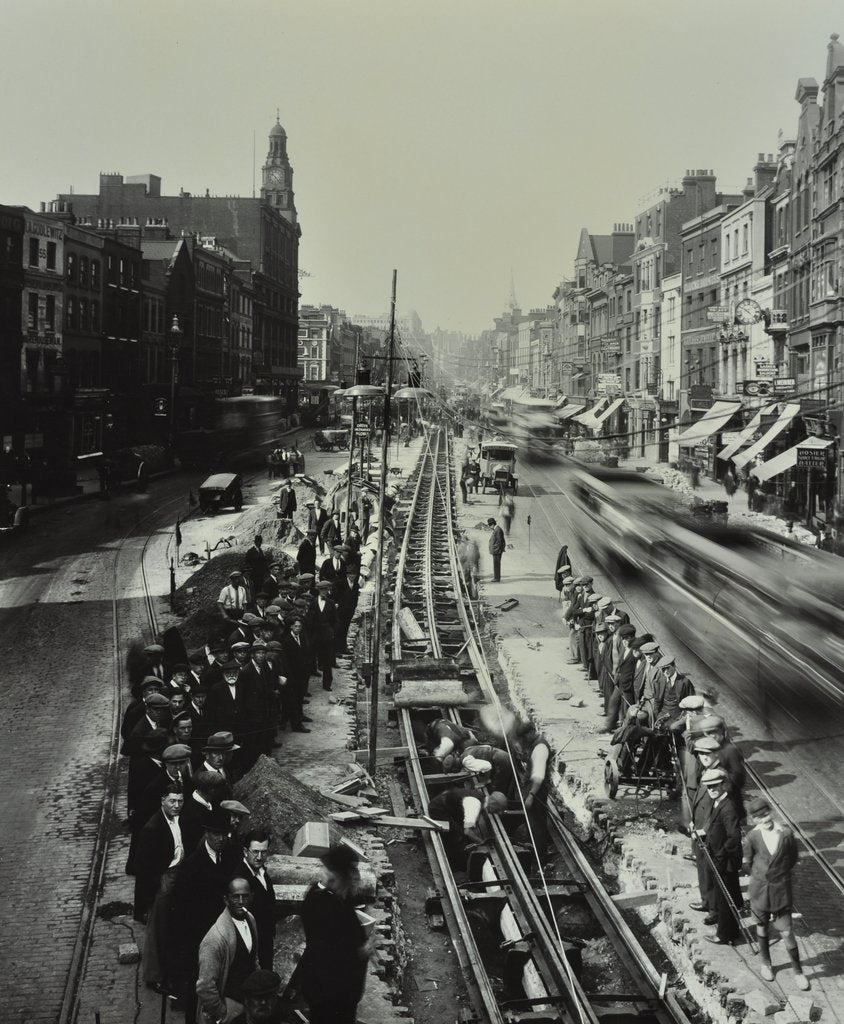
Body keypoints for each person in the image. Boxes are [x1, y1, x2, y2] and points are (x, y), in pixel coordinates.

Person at [300, 845, 374, 1024]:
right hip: (328, 992)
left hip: (339, 991)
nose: (354, 879)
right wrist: (361, 951)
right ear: (338, 876)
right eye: (350, 874)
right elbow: (331, 952)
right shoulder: (321, 904)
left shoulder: (335, 896)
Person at [742, 797, 809, 989]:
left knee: (787, 931)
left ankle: (798, 971)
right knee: (761, 927)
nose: (765, 819)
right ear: (754, 820)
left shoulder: (786, 834)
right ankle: (766, 963)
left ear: (771, 811)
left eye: (766, 814)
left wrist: (779, 875)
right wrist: (759, 877)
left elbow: (793, 857)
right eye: (759, 818)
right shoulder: (753, 837)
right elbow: (747, 861)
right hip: (760, 891)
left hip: (780, 892)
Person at [136, 784, 185, 994]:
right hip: (163, 879)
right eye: (172, 801)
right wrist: (151, 894)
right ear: (162, 800)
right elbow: (143, 867)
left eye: (180, 801)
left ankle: (170, 969)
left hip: (177, 873)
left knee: (171, 927)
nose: (177, 805)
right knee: (158, 930)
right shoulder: (152, 828)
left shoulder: (177, 819)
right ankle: (154, 976)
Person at [196, 877, 259, 1024]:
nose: (241, 901)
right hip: (228, 1010)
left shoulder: (250, 919)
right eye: (236, 897)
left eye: (245, 896)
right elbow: (205, 986)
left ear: (251, 897)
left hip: (247, 1005)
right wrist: (222, 1013)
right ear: (226, 899)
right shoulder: (215, 938)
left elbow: (254, 958)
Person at [697, 768, 743, 946]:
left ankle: (724, 935)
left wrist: (720, 855)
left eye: (715, 786)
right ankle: (732, 931)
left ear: (724, 784)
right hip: (719, 858)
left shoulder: (728, 807)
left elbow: (734, 838)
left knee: (724, 899)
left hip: (724, 862)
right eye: (709, 788)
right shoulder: (719, 803)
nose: (712, 790)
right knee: (723, 896)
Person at [231, 830, 276, 970]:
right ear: (245, 851)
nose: (259, 857)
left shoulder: (262, 872)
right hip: (252, 944)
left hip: (265, 938)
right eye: (255, 852)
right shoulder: (240, 878)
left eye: (264, 852)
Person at [487, 517, 505, 582]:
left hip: (497, 551)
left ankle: (497, 578)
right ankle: (496, 577)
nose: (489, 527)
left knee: (496, 564)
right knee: (496, 564)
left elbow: (499, 542)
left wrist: (497, 550)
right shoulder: (497, 529)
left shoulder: (498, 530)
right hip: (496, 550)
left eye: (489, 525)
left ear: (492, 524)